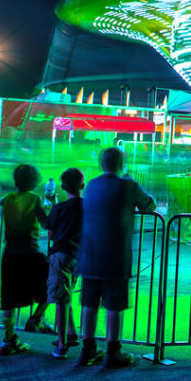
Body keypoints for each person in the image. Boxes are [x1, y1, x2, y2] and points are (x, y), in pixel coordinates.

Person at [76, 147, 157, 368]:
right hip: (115, 256)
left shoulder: (92, 185)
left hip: (90, 253)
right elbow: (150, 205)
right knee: (114, 305)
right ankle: (114, 351)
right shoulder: (127, 185)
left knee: (89, 303)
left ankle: (88, 349)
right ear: (122, 163)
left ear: (102, 164)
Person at [0, 164, 52, 355]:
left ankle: (8, 338)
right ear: (35, 182)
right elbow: (46, 224)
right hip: (30, 252)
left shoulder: (8, 199)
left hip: (10, 254)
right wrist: (50, 204)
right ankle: (37, 318)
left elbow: (0, 201)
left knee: (9, 297)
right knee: (53, 283)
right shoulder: (35, 199)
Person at [47, 168, 85, 358]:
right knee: (66, 292)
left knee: (60, 299)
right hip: (79, 256)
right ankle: (72, 333)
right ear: (82, 186)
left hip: (61, 255)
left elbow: (51, 234)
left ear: (62, 187)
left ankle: (61, 345)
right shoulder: (88, 207)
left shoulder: (58, 208)